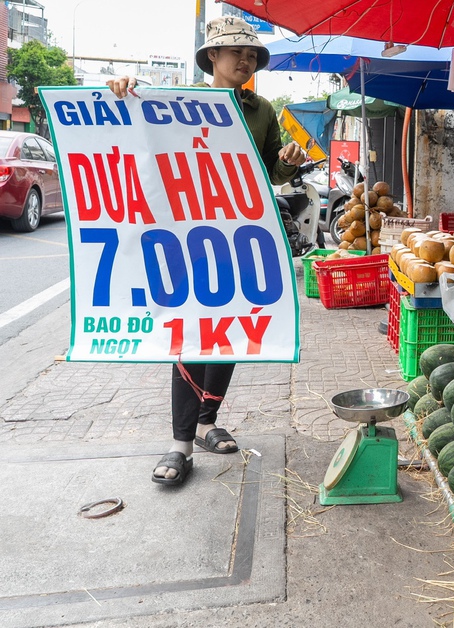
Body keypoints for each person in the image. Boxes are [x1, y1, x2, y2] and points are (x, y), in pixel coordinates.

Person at [107, 16, 308, 486]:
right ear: (212, 56)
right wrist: (122, 90)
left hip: (240, 234)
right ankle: (180, 445)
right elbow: (136, 133)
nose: (246, 60)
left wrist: (287, 161)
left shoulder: (262, 110)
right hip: (187, 235)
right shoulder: (178, 100)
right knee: (190, 331)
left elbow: (271, 171)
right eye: (237, 52)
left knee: (231, 328)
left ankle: (205, 423)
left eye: (252, 54)